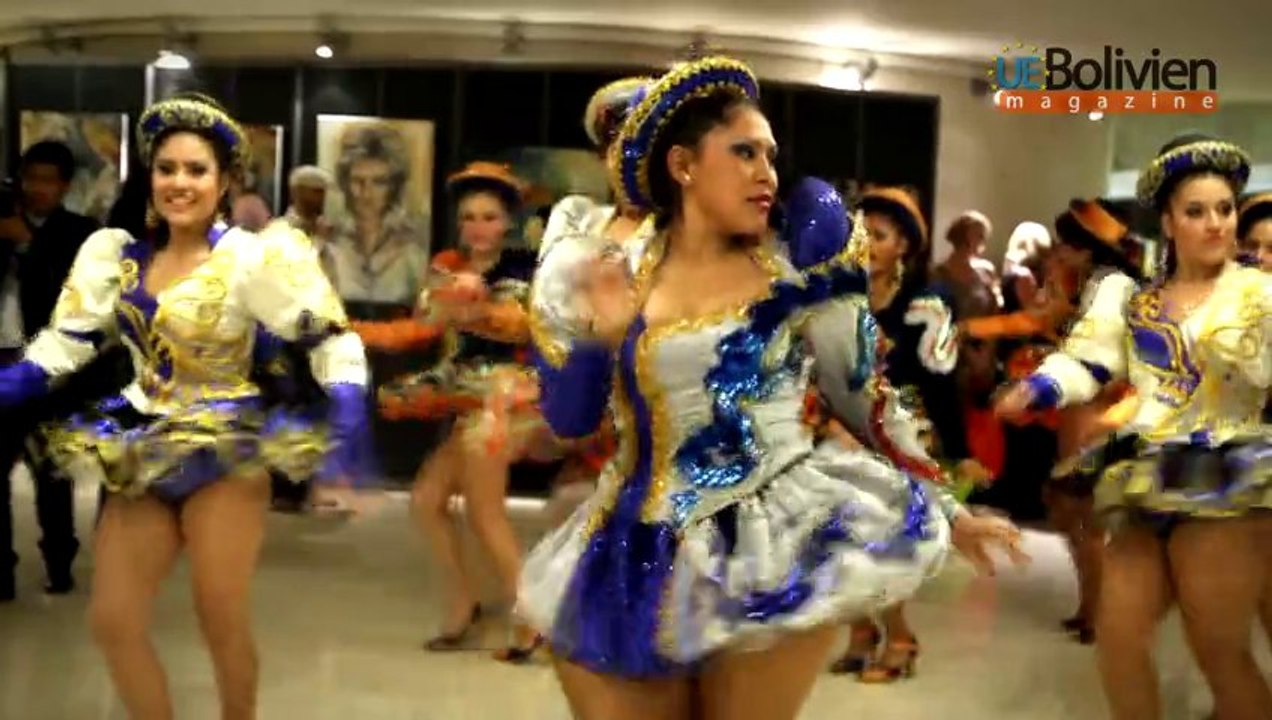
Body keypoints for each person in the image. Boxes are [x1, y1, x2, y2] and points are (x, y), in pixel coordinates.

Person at [519, 56, 1025, 720]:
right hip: (631, 544)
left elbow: (863, 398)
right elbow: (567, 424)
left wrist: (951, 510)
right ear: (683, 166)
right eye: (744, 153)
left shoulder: (795, 267)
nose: (767, 173)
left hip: (772, 542)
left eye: (771, 155)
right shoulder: (608, 270)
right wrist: (600, 339)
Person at [0, 93, 374, 719]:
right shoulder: (115, 255)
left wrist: (349, 400)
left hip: (226, 450)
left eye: (196, 170)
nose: (179, 182)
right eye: (167, 168)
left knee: (219, 613)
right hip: (142, 443)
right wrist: (19, 379)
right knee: (114, 621)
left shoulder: (253, 257)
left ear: (225, 181)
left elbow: (328, 335)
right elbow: (69, 339)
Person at [996, 134, 1272, 720]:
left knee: (1218, 651)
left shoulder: (1259, 294)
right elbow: (1088, 361)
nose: (1216, 223)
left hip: (1228, 478)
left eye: (1224, 209)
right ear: (1168, 222)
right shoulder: (1131, 298)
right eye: (1196, 211)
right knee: (1118, 641)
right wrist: (1037, 388)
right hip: (1149, 476)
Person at [354, 161, 549, 661]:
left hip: (507, 398)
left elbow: (517, 327)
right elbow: (420, 329)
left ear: (508, 221)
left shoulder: (522, 269)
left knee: (485, 512)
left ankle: (534, 620)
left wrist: (473, 307)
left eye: (488, 217)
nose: (477, 228)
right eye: (468, 218)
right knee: (425, 501)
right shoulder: (447, 269)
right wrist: (351, 330)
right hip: (464, 395)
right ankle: (466, 605)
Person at [829, 186, 990, 681]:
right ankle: (860, 634)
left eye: (877, 235)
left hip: (900, 438)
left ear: (903, 246)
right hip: (837, 435)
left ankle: (900, 636)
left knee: (880, 544)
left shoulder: (927, 305)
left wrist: (960, 451)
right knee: (837, 541)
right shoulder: (838, 297)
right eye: (859, 233)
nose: (865, 243)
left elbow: (942, 388)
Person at [0, 140, 120, 601]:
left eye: (48, 181)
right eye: (31, 179)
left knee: (52, 473)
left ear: (65, 186)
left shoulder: (80, 234)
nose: (38, 190)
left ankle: (58, 562)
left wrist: (27, 245)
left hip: (49, 369)